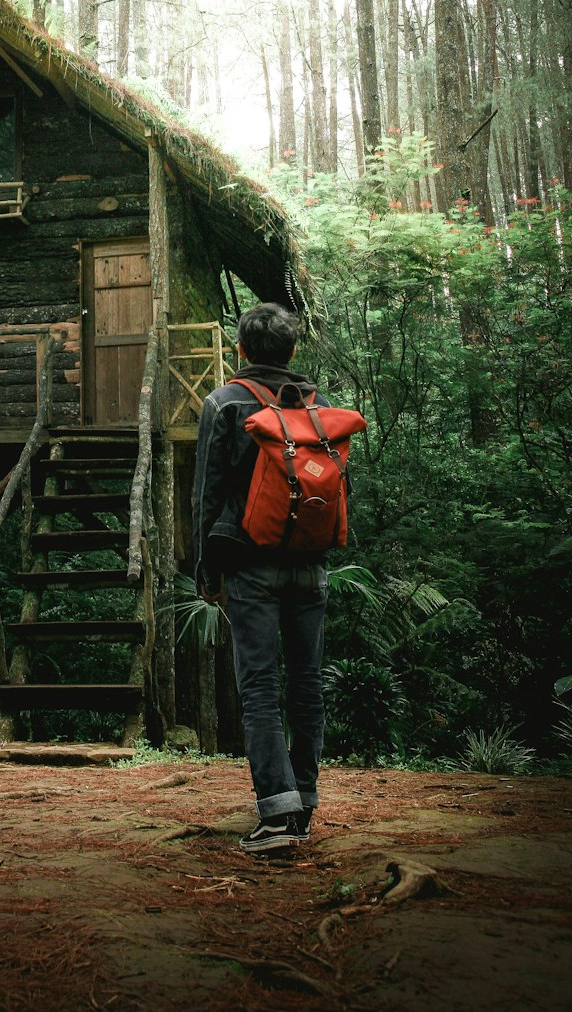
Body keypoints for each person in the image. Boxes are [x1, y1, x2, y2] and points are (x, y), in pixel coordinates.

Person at [192, 302, 331, 854]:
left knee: (260, 690)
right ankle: (304, 803)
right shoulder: (316, 405)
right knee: (306, 685)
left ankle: (276, 815)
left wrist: (207, 570)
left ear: (240, 350)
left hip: (251, 568)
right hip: (311, 566)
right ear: (293, 351)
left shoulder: (224, 402)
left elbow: (206, 493)